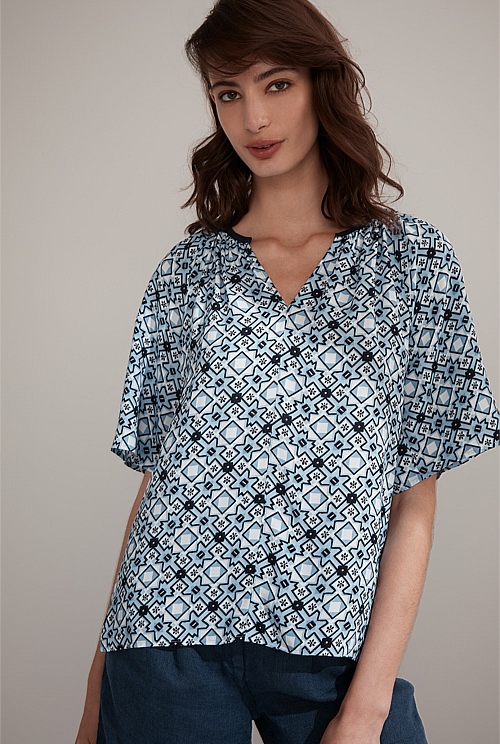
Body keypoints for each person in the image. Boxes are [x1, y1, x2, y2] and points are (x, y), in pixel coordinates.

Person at [75, 1, 500, 742]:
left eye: (277, 84)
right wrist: (95, 693)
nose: (254, 119)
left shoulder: (413, 261)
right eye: (228, 93)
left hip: (334, 648)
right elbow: (157, 485)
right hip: (165, 641)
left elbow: (415, 498)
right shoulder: (189, 271)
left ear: (321, 85)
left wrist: (368, 707)